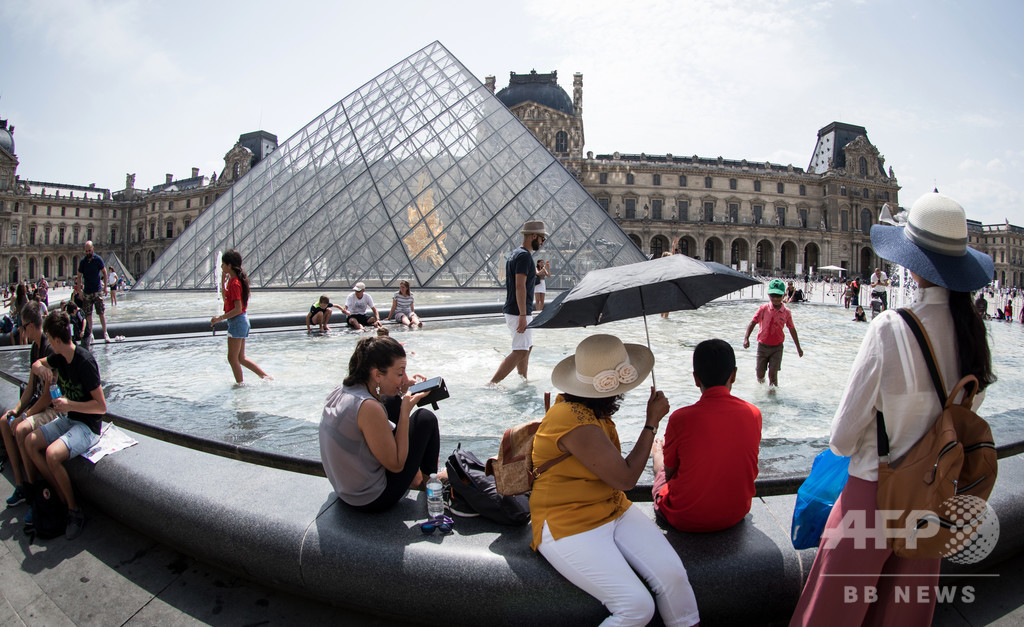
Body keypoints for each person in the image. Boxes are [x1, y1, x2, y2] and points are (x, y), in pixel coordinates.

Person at [790, 192, 996, 625]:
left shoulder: (890, 328)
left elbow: (842, 439)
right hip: (933, 499)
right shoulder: (974, 336)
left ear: (912, 263)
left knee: (832, 615)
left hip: (874, 493)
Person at [530, 334, 700, 626]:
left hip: (611, 507)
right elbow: (626, 478)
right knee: (636, 607)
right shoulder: (575, 421)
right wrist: (651, 423)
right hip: (566, 522)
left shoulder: (587, 409)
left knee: (673, 575)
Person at [319, 335, 441, 512]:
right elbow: (397, 464)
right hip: (371, 499)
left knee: (391, 401)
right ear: (377, 374)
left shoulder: (344, 390)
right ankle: (430, 485)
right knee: (424, 419)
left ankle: (418, 477)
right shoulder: (369, 407)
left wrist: (402, 386)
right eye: (400, 373)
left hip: (346, 490)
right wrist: (405, 411)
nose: (403, 379)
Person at [652, 338, 761, 533]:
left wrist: (658, 453)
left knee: (659, 470)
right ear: (734, 375)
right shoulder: (754, 413)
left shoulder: (680, 418)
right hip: (736, 512)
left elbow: (669, 472)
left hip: (683, 516)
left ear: (695, 378)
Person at [24, 310, 107, 540]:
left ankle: (73, 510)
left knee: (52, 454)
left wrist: (69, 403)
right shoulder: (60, 357)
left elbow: (101, 407)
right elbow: (37, 363)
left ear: (57, 340)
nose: (48, 343)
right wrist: (41, 369)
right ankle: (59, 494)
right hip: (68, 419)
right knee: (30, 441)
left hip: (87, 427)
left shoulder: (85, 362)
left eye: (49, 339)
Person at [1, 301, 60, 511]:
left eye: (21, 325)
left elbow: (47, 397)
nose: (20, 329)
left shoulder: (47, 348)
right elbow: (29, 388)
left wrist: (24, 416)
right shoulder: (34, 348)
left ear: (29, 326)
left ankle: (35, 491)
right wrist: (16, 410)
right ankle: (21, 485)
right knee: (4, 420)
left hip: (52, 409)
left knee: (21, 428)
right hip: (40, 406)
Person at [490, 220, 546, 384]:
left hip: (517, 308)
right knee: (520, 350)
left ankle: (523, 379)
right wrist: (522, 314)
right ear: (534, 236)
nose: (542, 242)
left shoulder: (516, 253)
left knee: (526, 347)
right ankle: (492, 383)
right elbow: (520, 286)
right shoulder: (524, 256)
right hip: (518, 310)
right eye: (542, 238)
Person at [209, 250, 271, 384]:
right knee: (241, 358)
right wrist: (222, 279)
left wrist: (220, 318)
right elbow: (226, 297)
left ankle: (240, 385)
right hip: (240, 321)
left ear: (229, 265)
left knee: (232, 358)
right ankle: (266, 377)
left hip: (237, 322)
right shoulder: (233, 281)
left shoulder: (235, 283)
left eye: (223, 264)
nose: (221, 267)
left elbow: (237, 308)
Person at [742, 278, 803, 387]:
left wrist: (798, 348)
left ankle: (773, 397)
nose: (775, 299)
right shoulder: (764, 309)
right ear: (768, 295)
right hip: (762, 346)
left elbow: (792, 329)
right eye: (772, 295)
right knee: (760, 374)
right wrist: (746, 338)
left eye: (778, 296)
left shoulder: (786, 313)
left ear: (784, 295)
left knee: (773, 375)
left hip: (777, 348)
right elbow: (753, 323)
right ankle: (761, 394)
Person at [76, 241, 110, 344]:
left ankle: (105, 333)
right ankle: (91, 334)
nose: (88, 253)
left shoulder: (98, 259)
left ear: (93, 249)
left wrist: (105, 287)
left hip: (97, 290)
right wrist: (79, 291)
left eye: (89, 250)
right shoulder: (83, 261)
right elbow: (79, 276)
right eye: (86, 251)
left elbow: (104, 272)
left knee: (101, 313)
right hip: (87, 291)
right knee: (88, 314)